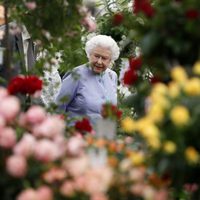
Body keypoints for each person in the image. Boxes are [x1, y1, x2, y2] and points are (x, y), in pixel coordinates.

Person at [55, 34, 120, 125]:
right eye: (96, 56)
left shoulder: (112, 76)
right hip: (77, 136)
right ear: (89, 54)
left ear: (110, 60)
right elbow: (58, 109)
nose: (99, 62)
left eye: (104, 58)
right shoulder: (76, 75)